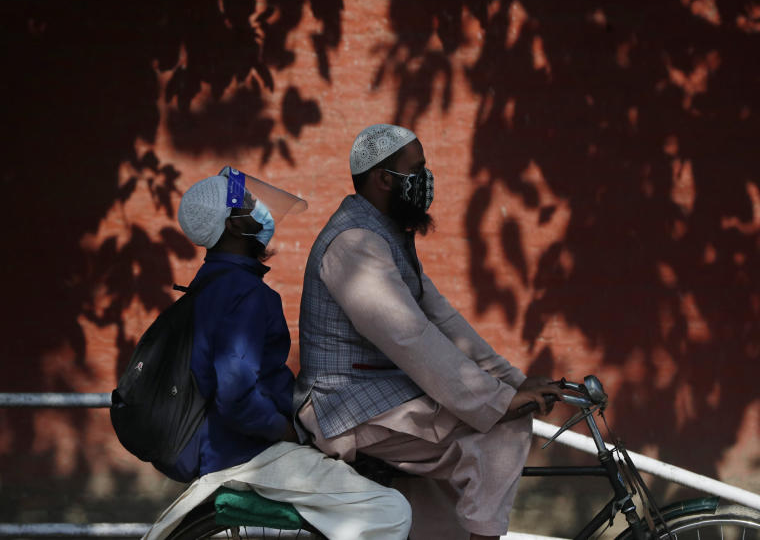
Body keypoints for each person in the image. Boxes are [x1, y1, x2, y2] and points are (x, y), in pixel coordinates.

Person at [293, 125, 564, 540]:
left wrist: (513, 381)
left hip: (376, 397)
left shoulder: (383, 234)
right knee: (503, 432)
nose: (426, 178)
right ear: (384, 179)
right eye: (417, 169)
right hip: (343, 407)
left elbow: (443, 320)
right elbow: (411, 337)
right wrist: (496, 401)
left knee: (447, 502)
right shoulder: (354, 243)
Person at [143, 166, 411, 540]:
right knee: (390, 510)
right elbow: (236, 395)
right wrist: (289, 433)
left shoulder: (210, 284)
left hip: (223, 446)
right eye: (249, 203)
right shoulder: (245, 293)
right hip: (247, 453)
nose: (261, 209)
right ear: (235, 226)